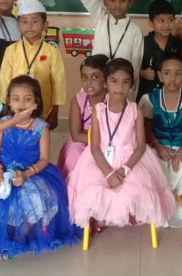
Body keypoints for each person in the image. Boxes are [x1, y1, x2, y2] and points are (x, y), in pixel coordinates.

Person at [0, 75, 79, 259]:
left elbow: (44, 159)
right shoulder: (2, 124)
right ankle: (1, 236)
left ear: (36, 102)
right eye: (16, 99)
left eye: (28, 99)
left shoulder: (41, 127)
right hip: (0, 171)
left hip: (32, 173)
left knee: (33, 199)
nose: (21, 104)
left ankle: (20, 237)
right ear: (9, 102)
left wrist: (26, 174)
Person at [66, 59, 175, 231]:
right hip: (101, 159)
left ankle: (124, 212)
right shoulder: (98, 111)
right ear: (106, 83)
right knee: (95, 185)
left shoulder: (135, 110)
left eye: (125, 82)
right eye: (114, 81)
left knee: (135, 185)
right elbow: (94, 147)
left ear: (132, 84)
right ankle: (104, 214)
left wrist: (125, 169)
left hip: (130, 159)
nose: (120, 87)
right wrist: (109, 173)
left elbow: (141, 146)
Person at [138, 53, 182, 226]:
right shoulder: (150, 98)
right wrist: (158, 147)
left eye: (178, 73)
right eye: (167, 73)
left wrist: (181, 152)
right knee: (155, 169)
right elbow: (147, 128)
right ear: (160, 75)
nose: (172, 78)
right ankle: (160, 204)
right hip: (158, 144)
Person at [63, 0, 144, 99]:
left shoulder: (135, 30)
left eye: (123, 0)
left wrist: (129, 100)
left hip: (119, 90)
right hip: (95, 85)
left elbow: (135, 69)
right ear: (105, 1)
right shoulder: (101, 17)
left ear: (130, 2)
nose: (117, 4)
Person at [0, 0, 66, 130]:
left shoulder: (52, 51)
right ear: (18, 25)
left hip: (43, 107)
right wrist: (5, 107)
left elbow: (58, 82)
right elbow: (4, 80)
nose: (29, 26)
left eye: (35, 21)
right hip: (16, 107)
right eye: (24, 22)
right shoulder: (11, 50)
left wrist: (55, 111)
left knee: (40, 135)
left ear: (45, 25)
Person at [57, 54, 109, 177]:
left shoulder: (112, 100)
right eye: (84, 77)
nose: (88, 82)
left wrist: (104, 142)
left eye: (95, 77)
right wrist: (97, 140)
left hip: (107, 142)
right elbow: (76, 135)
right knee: (74, 156)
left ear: (106, 79)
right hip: (81, 141)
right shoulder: (78, 100)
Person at [137, 0, 182, 100]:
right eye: (161, 21)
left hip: (171, 95)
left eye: (170, 20)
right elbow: (131, 68)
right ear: (151, 23)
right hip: (147, 95)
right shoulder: (142, 42)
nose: (166, 25)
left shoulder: (178, 43)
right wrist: (142, 73)